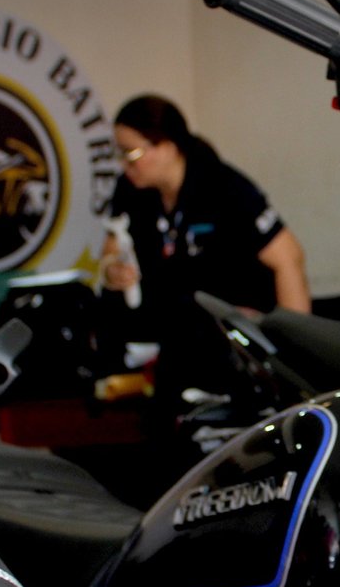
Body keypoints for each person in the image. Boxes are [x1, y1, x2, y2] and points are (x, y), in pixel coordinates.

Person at [99, 95, 309, 394]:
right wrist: (111, 271)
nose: (124, 164)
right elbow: (110, 251)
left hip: (229, 345)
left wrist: (293, 355)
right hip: (173, 340)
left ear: (167, 146)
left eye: (130, 154)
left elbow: (289, 258)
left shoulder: (223, 187)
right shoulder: (131, 190)